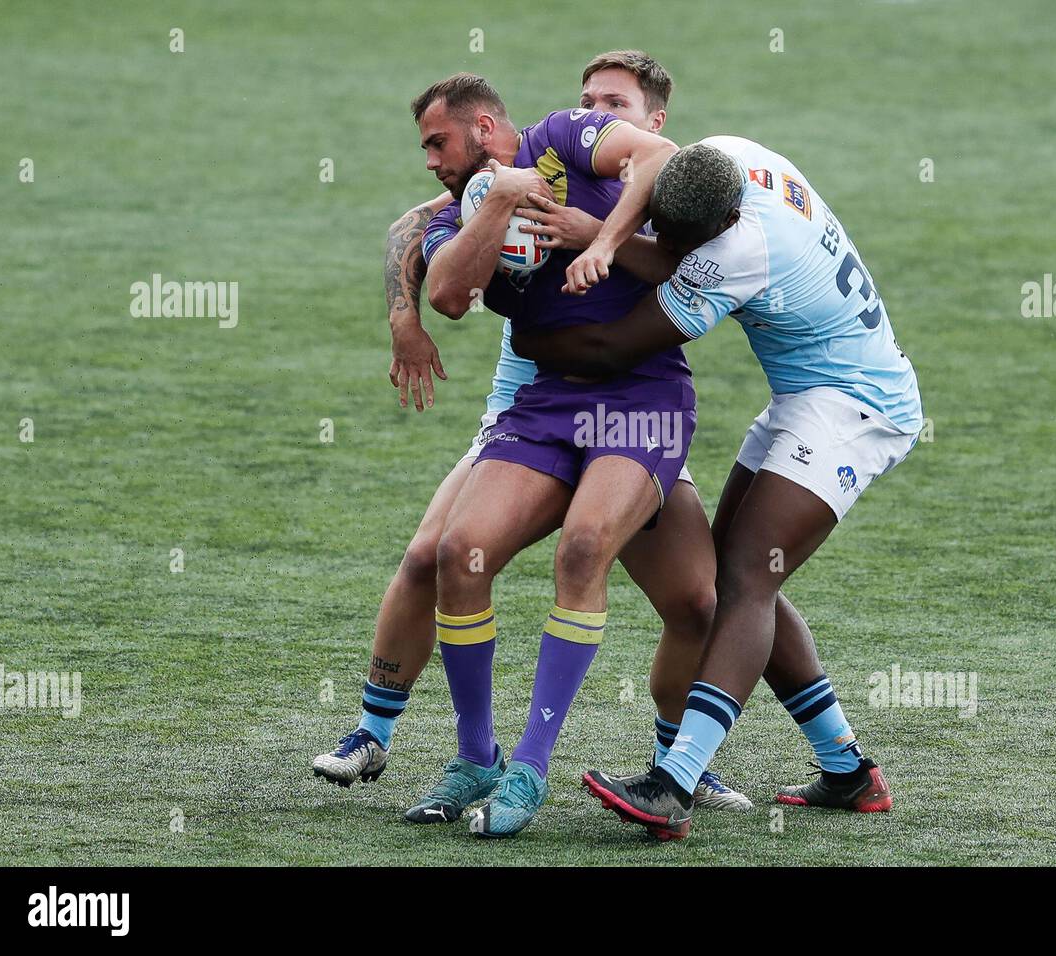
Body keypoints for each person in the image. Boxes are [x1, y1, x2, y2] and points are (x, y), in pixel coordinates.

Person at [312, 54, 750, 815]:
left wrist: (601, 241)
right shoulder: (460, 207)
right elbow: (446, 289)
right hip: (543, 400)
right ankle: (472, 757)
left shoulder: (564, 138)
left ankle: (543, 768)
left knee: (661, 583)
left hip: (639, 401)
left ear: (483, 127)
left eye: (436, 144)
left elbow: (661, 160)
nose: (428, 162)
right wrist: (495, 203)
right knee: (450, 552)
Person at [512, 137, 923, 839]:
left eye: (676, 238)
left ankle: (672, 784)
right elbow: (661, 220)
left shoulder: (739, 249)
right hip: (809, 391)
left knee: (744, 579)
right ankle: (849, 771)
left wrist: (523, 332)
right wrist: (599, 236)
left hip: (854, 406)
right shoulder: (727, 158)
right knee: (741, 574)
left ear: (720, 224)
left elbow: (615, 346)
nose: (659, 237)